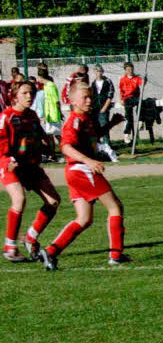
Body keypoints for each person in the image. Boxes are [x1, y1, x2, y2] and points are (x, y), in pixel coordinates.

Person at [38, 81, 126, 271]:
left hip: (74, 172)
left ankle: (51, 251)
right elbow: (66, 147)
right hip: (82, 170)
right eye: (85, 97)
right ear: (73, 100)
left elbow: (92, 138)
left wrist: (111, 123)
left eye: (90, 97)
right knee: (115, 207)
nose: (89, 100)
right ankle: (116, 255)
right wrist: (89, 161)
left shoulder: (85, 119)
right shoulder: (74, 120)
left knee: (84, 218)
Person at [0, 82, 61, 262]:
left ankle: (30, 237)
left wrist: (47, 145)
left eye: (32, 93)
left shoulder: (32, 116)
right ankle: (10, 246)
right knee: (19, 199)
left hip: (31, 166)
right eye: (25, 93)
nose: (29, 96)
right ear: (14, 95)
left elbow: (41, 135)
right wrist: (9, 160)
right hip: (10, 165)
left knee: (53, 202)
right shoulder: (6, 117)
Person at [36, 63, 62, 162]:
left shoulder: (51, 86)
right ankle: (53, 155)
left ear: (41, 77)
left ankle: (68, 154)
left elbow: (56, 101)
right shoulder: (45, 86)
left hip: (54, 115)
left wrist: (59, 113)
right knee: (49, 136)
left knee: (57, 135)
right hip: (48, 115)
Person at [92, 65, 118, 162]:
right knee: (96, 129)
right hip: (95, 108)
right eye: (97, 71)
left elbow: (110, 95)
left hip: (104, 107)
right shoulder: (93, 83)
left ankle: (109, 150)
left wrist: (105, 107)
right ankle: (98, 151)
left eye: (100, 71)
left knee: (104, 128)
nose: (98, 73)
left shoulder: (108, 81)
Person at [119, 62, 143, 144]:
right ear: (125, 70)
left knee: (141, 103)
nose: (130, 70)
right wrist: (121, 99)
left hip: (135, 97)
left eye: (131, 69)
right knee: (129, 117)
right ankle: (126, 133)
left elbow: (142, 84)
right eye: (128, 69)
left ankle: (140, 120)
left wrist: (145, 80)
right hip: (127, 98)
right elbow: (121, 90)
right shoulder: (123, 79)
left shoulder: (137, 78)